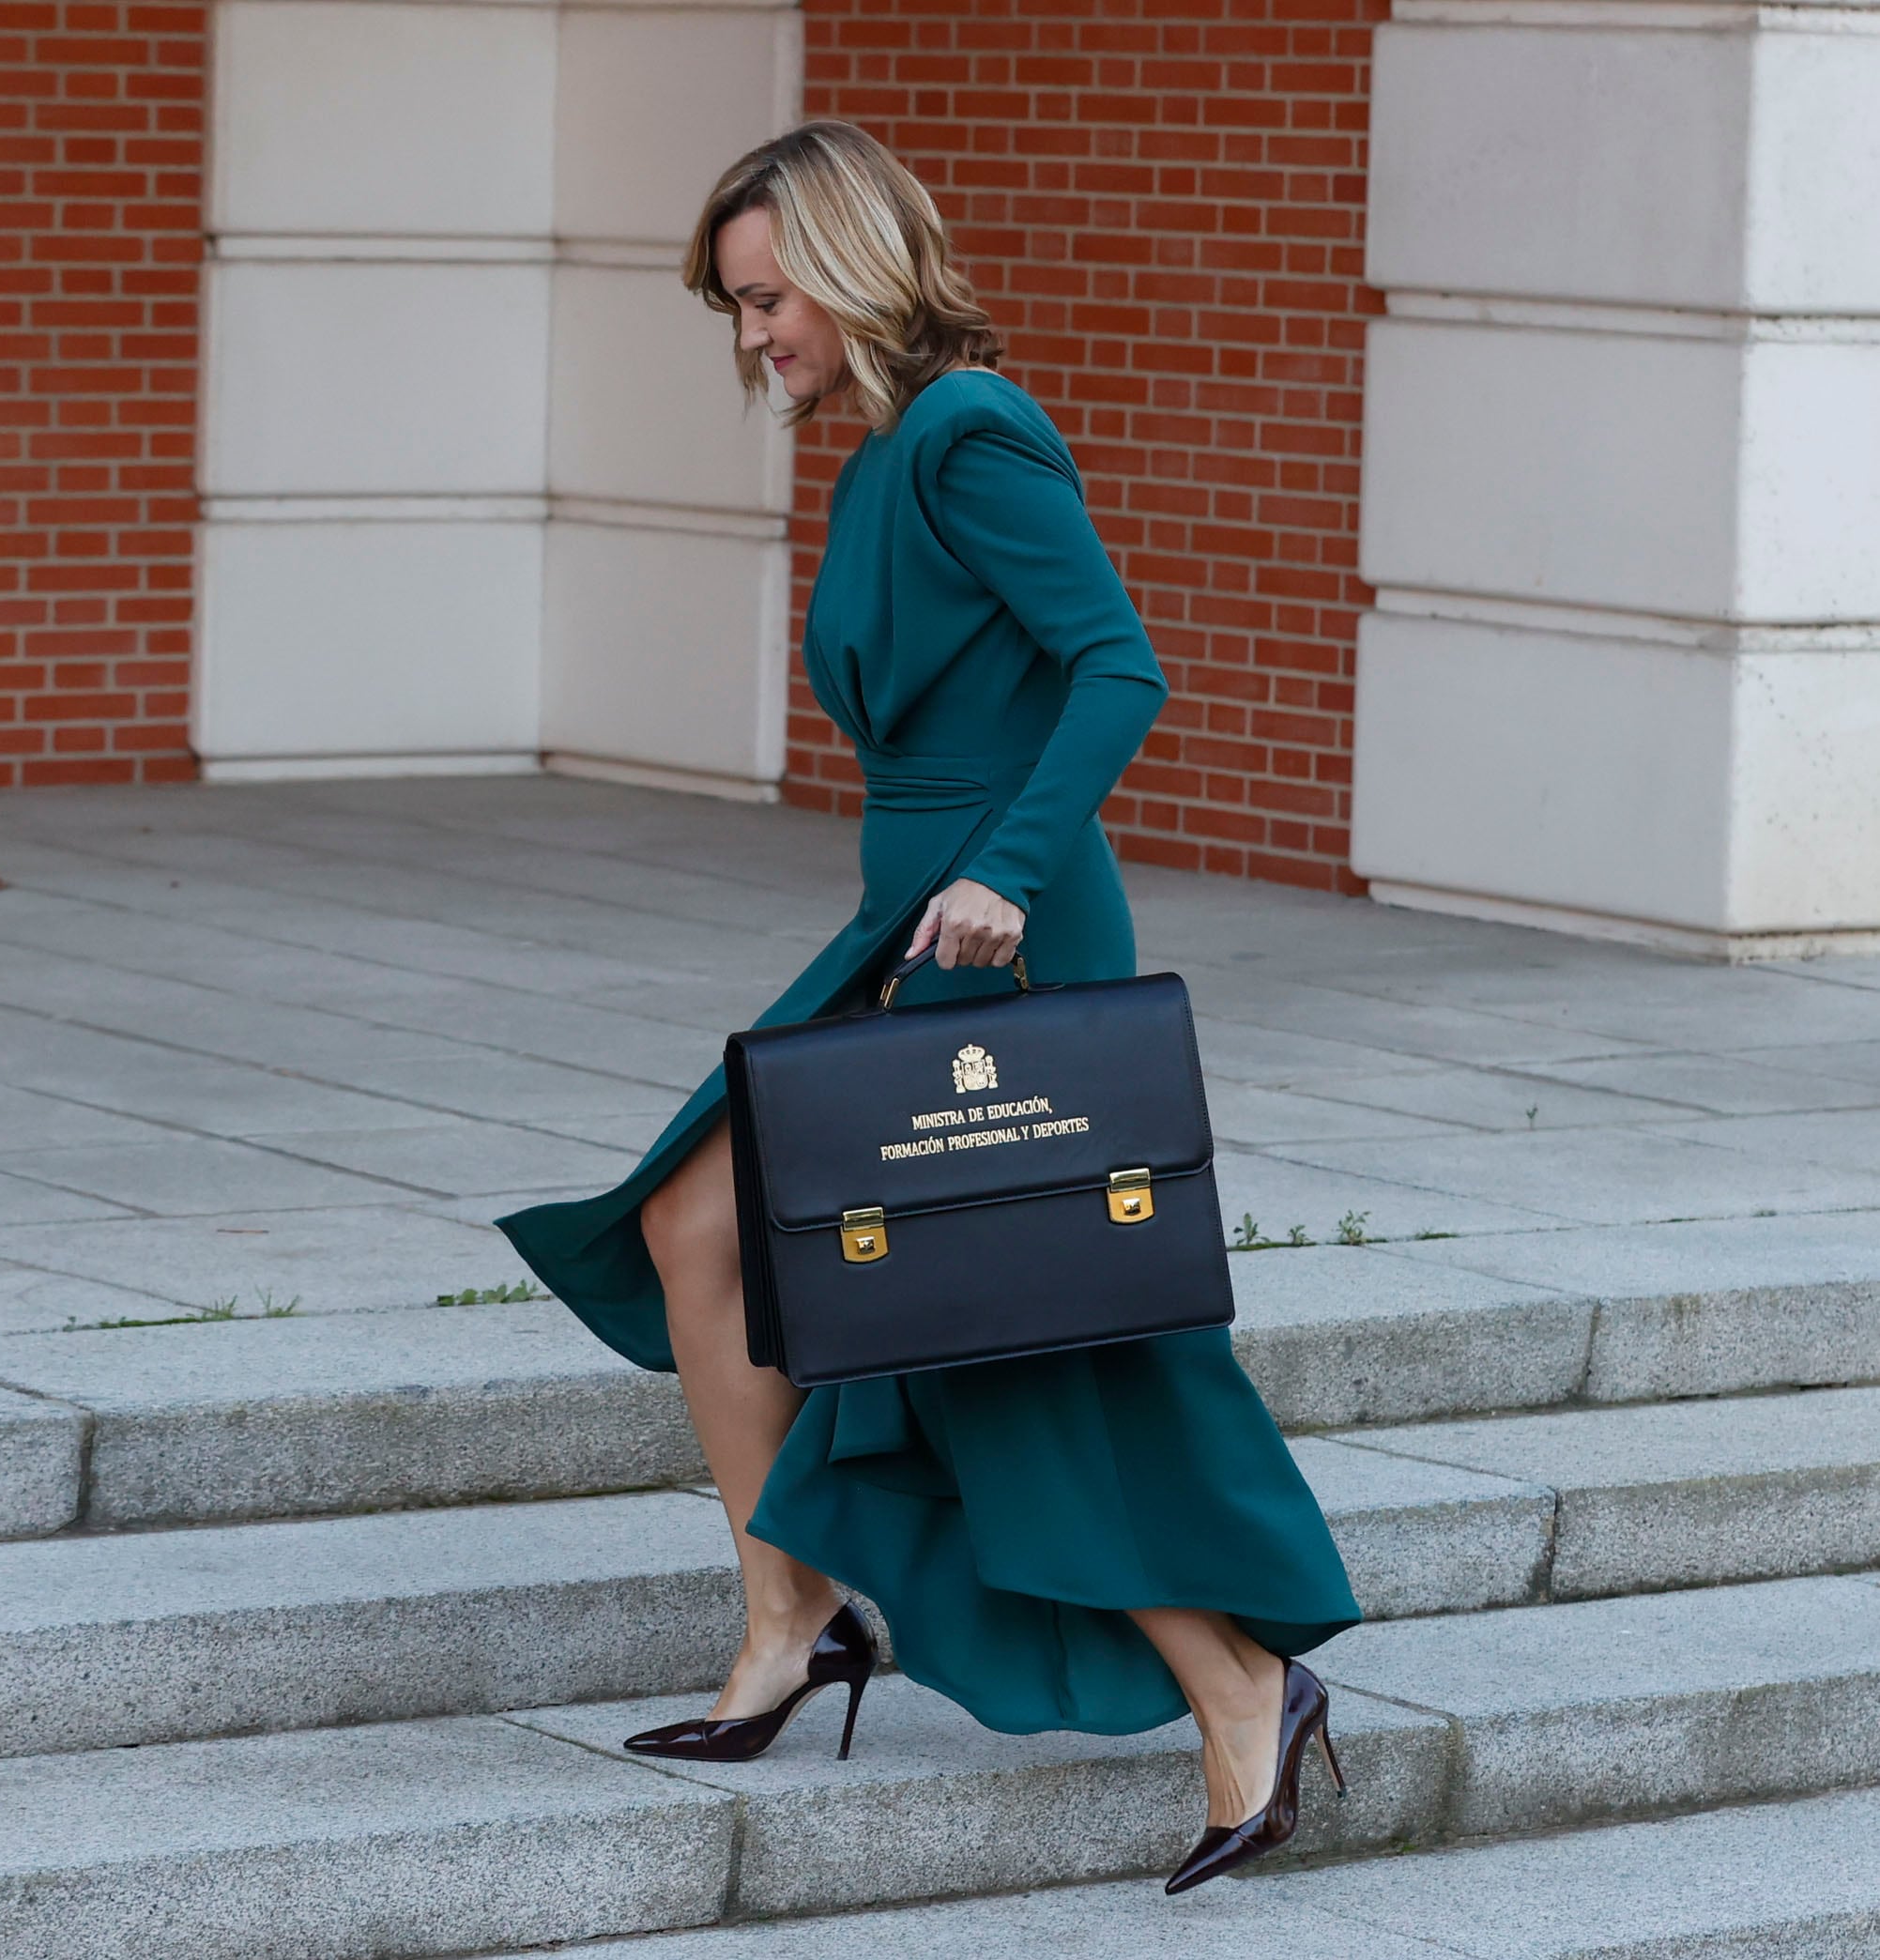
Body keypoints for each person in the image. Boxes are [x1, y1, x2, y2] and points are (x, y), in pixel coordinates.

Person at [497, 121, 1363, 1895]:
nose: (754, 340)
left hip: (1002, 936)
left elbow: (1121, 664)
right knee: (703, 1229)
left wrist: (1010, 873)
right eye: (735, 312)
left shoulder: (968, 433)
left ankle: (1241, 1687)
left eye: (768, 297)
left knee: (1013, 1335)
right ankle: (788, 1616)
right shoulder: (880, 456)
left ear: (857, 260)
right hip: (917, 928)